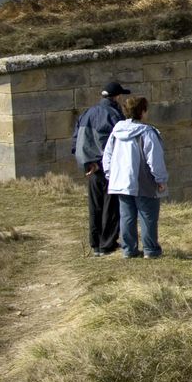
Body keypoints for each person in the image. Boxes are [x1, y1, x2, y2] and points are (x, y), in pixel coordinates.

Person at [102, 96, 169, 259]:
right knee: (148, 216)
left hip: (121, 181)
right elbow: (155, 159)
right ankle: (150, 250)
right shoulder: (147, 133)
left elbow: (107, 156)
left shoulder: (116, 132)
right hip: (143, 181)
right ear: (142, 111)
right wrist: (160, 180)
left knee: (127, 217)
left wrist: (111, 175)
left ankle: (129, 250)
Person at [70, 80, 129, 256]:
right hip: (107, 166)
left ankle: (95, 243)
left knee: (95, 206)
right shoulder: (113, 114)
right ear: (117, 96)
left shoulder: (87, 113)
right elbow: (115, 142)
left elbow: (76, 140)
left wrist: (87, 163)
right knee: (111, 207)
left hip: (92, 168)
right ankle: (107, 244)